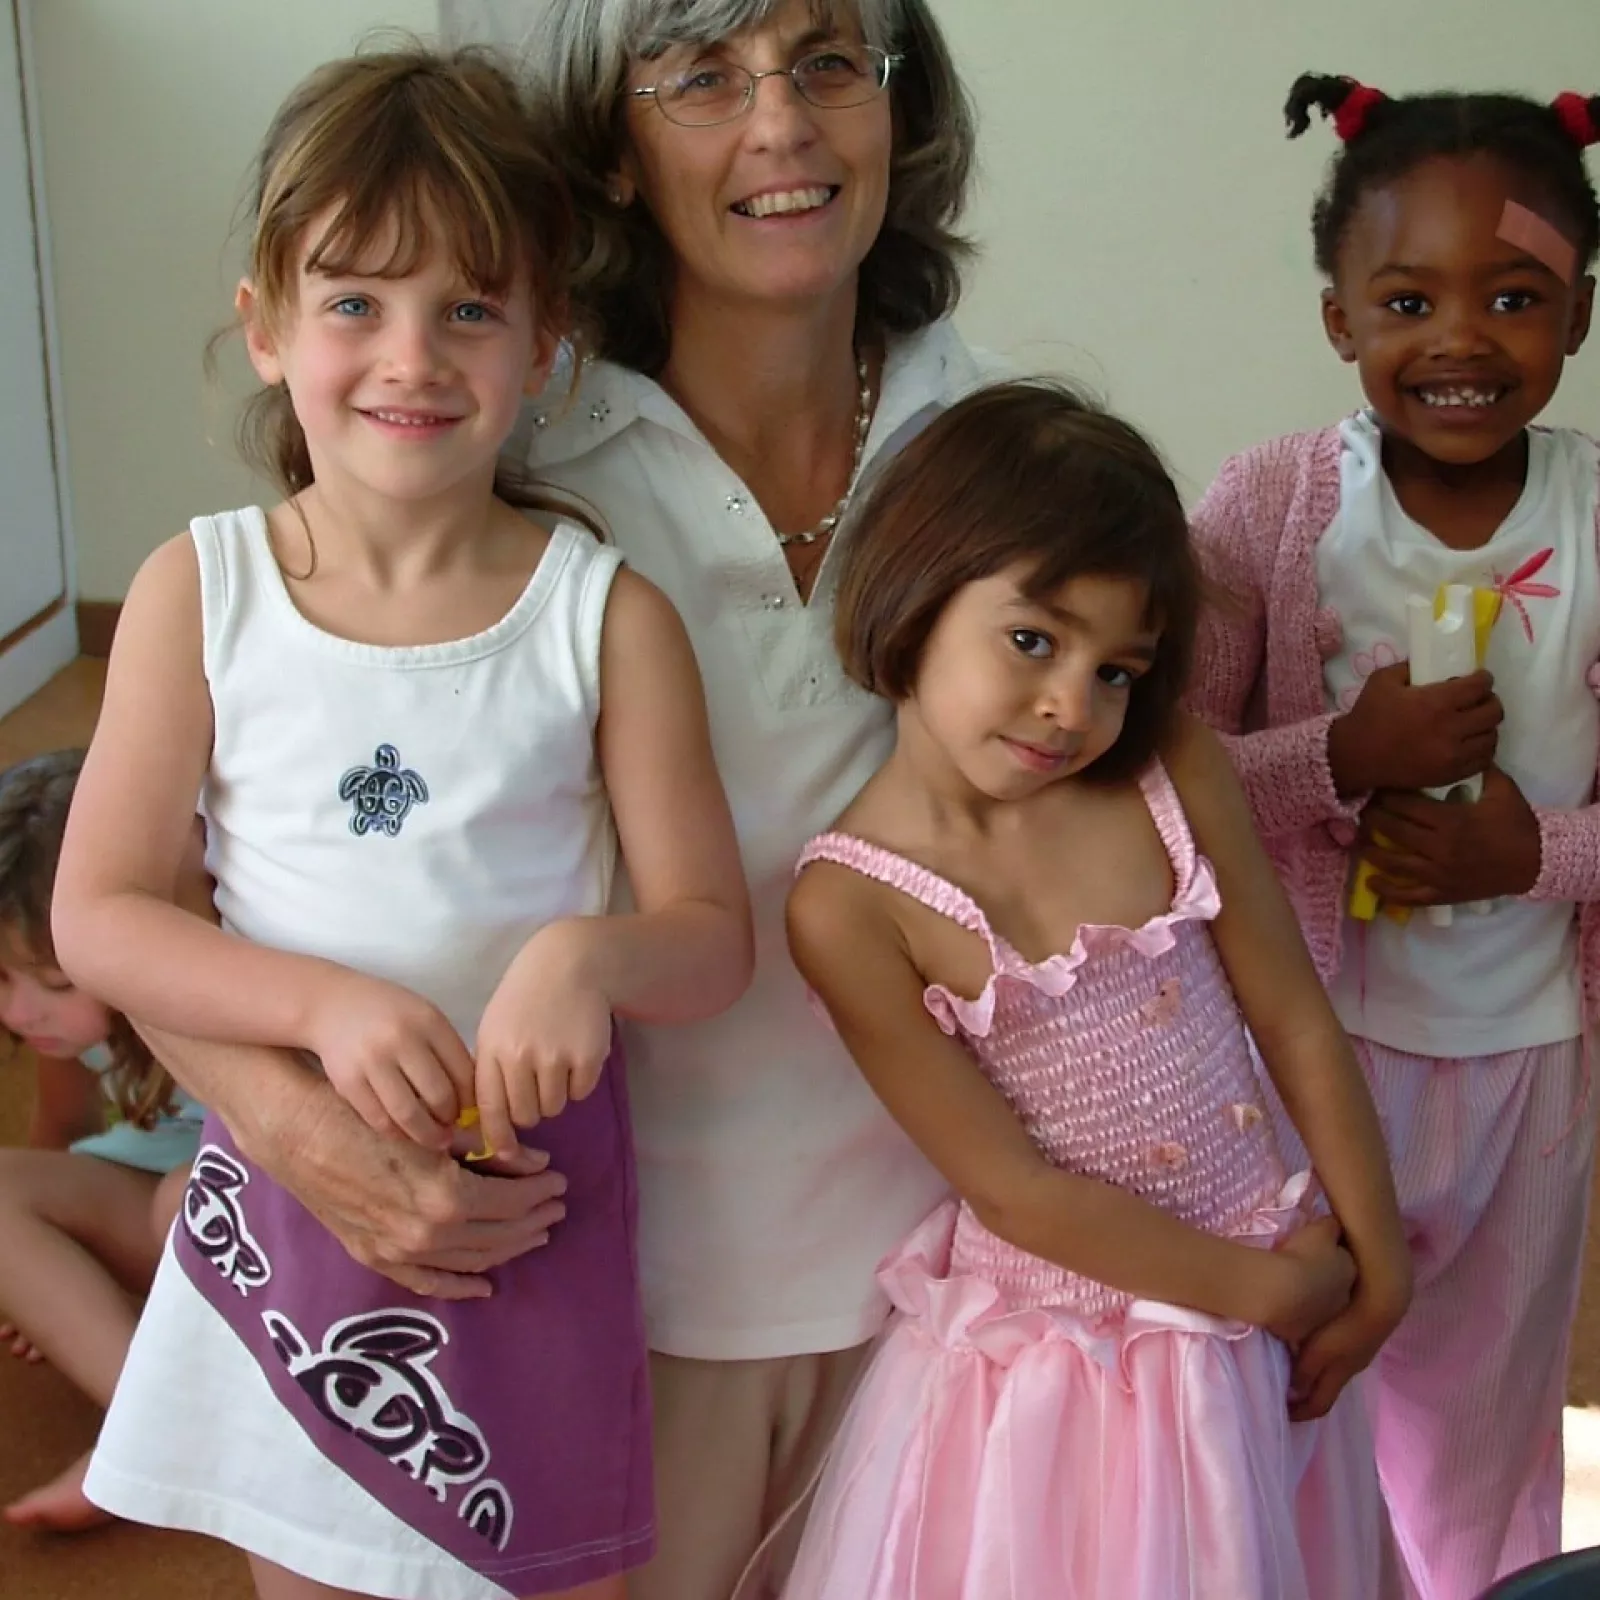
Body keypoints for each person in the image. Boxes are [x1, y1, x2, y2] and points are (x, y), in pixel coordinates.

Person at [141, 4, 987, 1594]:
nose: (781, 124)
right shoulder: (477, 465)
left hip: (939, 1263)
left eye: (828, 62)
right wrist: (290, 1119)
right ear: (611, 135)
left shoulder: (990, 444)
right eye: (700, 74)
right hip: (570, 1272)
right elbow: (193, 897)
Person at [49, 46, 750, 1600]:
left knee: (556, 1572)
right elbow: (98, 916)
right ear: (267, 327)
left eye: (471, 309)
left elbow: (711, 944)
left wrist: (589, 954)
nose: (411, 357)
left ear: (546, 343)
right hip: (293, 1187)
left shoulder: (602, 618)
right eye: (356, 302)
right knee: (310, 1570)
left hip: (526, 1200)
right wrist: (321, 1004)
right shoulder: (201, 592)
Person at [780, 380, 1410, 1599]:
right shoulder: (849, 904)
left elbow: (1290, 1016)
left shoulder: (1164, 770)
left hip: (1279, 1308)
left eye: (1117, 668)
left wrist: (1374, 1269)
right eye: (1033, 640)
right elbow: (1014, 1192)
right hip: (1078, 1378)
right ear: (915, 591)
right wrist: (1262, 1291)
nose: (1074, 705)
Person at [1187, 74, 1600, 1597]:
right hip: (1308, 1055)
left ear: (1582, 310)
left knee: (1479, 1440)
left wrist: (1532, 857)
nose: (1463, 340)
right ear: (1338, 318)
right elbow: (1162, 774)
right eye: (1409, 298)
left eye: (1516, 296)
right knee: (1298, 1399)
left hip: (1527, 1067)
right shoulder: (1274, 504)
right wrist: (1339, 757)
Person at [0, 748, 202, 1533]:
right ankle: (153, 1422)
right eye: (1, 982)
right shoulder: (71, 1036)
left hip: (245, 1215)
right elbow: (58, 1133)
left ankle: (158, 1422)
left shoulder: (201, 988)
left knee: (181, 1202)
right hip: (154, 1206)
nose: (22, 1015)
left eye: (51, 985)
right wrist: (37, 1271)